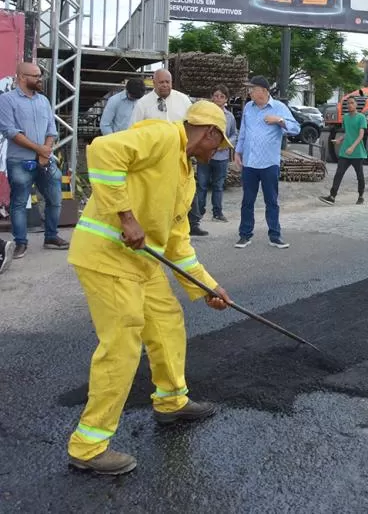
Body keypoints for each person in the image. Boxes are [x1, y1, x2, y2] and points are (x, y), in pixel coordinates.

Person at [65, 100, 235, 476]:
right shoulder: (160, 136)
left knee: (167, 323)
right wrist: (126, 217)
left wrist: (209, 287)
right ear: (208, 132)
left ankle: (172, 401)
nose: (216, 153)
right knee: (123, 343)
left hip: (144, 263)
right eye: (218, 145)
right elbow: (102, 151)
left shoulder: (186, 177)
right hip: (106, 256)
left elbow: (177, 245)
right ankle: (88, 445)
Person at [0, 62, 70, 259]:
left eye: (40, 75)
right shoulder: (7, 100)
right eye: (36, 75)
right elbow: (11, 132)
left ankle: (51, 236)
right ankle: (21, 243)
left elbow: (51, 129)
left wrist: (45, 150)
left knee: (55, 199)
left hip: (45, 159)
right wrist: (39, 149)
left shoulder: (44, 101)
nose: (40, 79)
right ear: (22, 77)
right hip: (19, 160)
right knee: (19, 202)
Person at [233, 76, 299, 249]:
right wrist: (238, 152)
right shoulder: (248, 107)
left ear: (263, 90)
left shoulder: (279, 107)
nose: (250, 92)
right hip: (249, 162)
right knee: (247, 200)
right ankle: (245, 235)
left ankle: (275, 236)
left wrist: (279, 120)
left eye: (252, 89)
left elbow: (296, 128)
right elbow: (243, 132)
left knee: (271, 201)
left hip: (269, 163)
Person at [189, 84, 238, 235]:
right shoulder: (205, 115)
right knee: (202, 185)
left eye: (222, 96)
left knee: (218, 185)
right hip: (205, 156)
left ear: (226, 100)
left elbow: (234, 134)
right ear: (212, 97)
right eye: (216, 96)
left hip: (221, 156)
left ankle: (218, 212)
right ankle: (199, 213)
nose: (218, 99)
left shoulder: (229, 117)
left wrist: (224, 144)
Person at [319, 96, 367, 206]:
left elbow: (360, 136)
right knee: (338, 174)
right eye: (348, 103)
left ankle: (361, 196)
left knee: (359, 175)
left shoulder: (361, 117)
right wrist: (339, 140)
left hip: (357, 152)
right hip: (345, 151)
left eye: (352, 103)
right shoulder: (345, 117)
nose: (350, 105)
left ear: (356, 105)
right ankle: (332, 196)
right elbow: (348, 133)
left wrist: (352, 147)